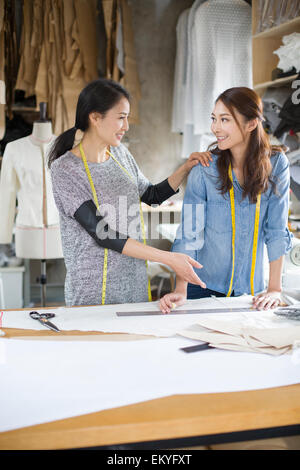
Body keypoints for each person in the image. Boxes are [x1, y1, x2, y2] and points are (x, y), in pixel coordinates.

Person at [48, 78, 206, 306]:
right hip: (93, 291)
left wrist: (185, 168)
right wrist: (168, 258)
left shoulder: (120, 154)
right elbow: (102, 233)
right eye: (121, 118)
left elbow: (151, 196)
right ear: (94, 117)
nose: (127, 126)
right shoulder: (65, 170)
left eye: (127, 118)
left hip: (134, 282)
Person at [159, 87, 292, 313]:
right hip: (201, 288)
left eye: (224, 120)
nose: (215, 128)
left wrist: (274, 289)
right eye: (214, 119)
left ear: (251, 124)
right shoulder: (204, 169)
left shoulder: (277, 164)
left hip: (251, 294)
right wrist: (180, 288)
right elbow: (189, 234)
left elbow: (276, 230)